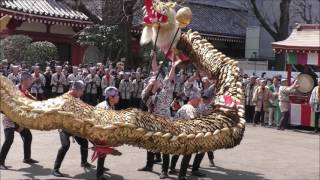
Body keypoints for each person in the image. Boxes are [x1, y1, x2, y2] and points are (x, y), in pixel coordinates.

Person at [52, 81, 93, 177]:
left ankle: (84, 162)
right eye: (82, 90)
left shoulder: (76, 97)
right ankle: (55, 169)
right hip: (64, 127)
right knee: (65, 146)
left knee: (84, 142)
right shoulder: (65, 98)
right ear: (76, 90)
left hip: (74, 126)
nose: (83, 93)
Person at [0, 71, 39, 169]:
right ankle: (0, 162)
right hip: (8, 118)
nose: (31, 82)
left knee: (27, 135)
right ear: (25, 81)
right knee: (9, 139)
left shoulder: (25, 91)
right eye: (30, 80)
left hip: (18, 120)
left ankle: (27, 158)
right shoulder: (14, 90)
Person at [172, 88, 205, 180]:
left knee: (179, 151)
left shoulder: (188, 107)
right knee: (190, 152)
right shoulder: (189, 108)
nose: (199, 102)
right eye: (198, 100)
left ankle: (172, 168)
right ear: (193, 99)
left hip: (178, 132)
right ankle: (182, 175)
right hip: (183, 133)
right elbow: (192, 121)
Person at [95, 87, 122, 180]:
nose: (118, 97)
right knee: (102, 151)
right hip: (97, 132)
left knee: (103, 151)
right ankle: (99, 175)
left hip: (100, 132)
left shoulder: (110, 105)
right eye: (117, 95)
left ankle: (100, 168)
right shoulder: (105, 108)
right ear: (111, 97)